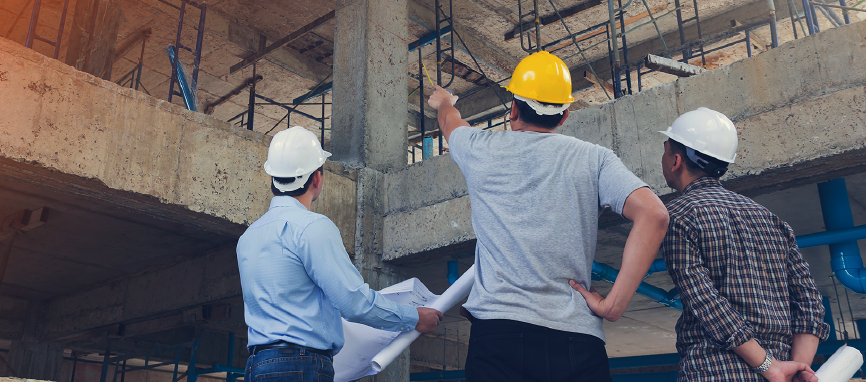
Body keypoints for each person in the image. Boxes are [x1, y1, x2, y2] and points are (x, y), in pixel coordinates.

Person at [428, 51, 670, 382]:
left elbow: (450, 122)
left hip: (500, 338)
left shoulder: (479, 148)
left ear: (513, 108)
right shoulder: (594, 159)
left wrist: (444, 101)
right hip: (577, 341)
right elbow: (654, 215)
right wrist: (614, 305)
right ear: (564, 114)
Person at [237, 126, 443, 381]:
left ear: (273, 178)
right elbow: (353, 303)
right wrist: (413, 318)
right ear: (317, 179)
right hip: (301, 365)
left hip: (257, 367)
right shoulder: (313, 227)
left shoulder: (247, 238)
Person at [659, 108, 829, 382]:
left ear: (675, 160)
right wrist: (795, 369)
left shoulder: (677, 216)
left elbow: (706, 302)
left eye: (665, 151)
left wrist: (770, 367)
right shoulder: (771, 220)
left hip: (714, 370)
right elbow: (809, 302)